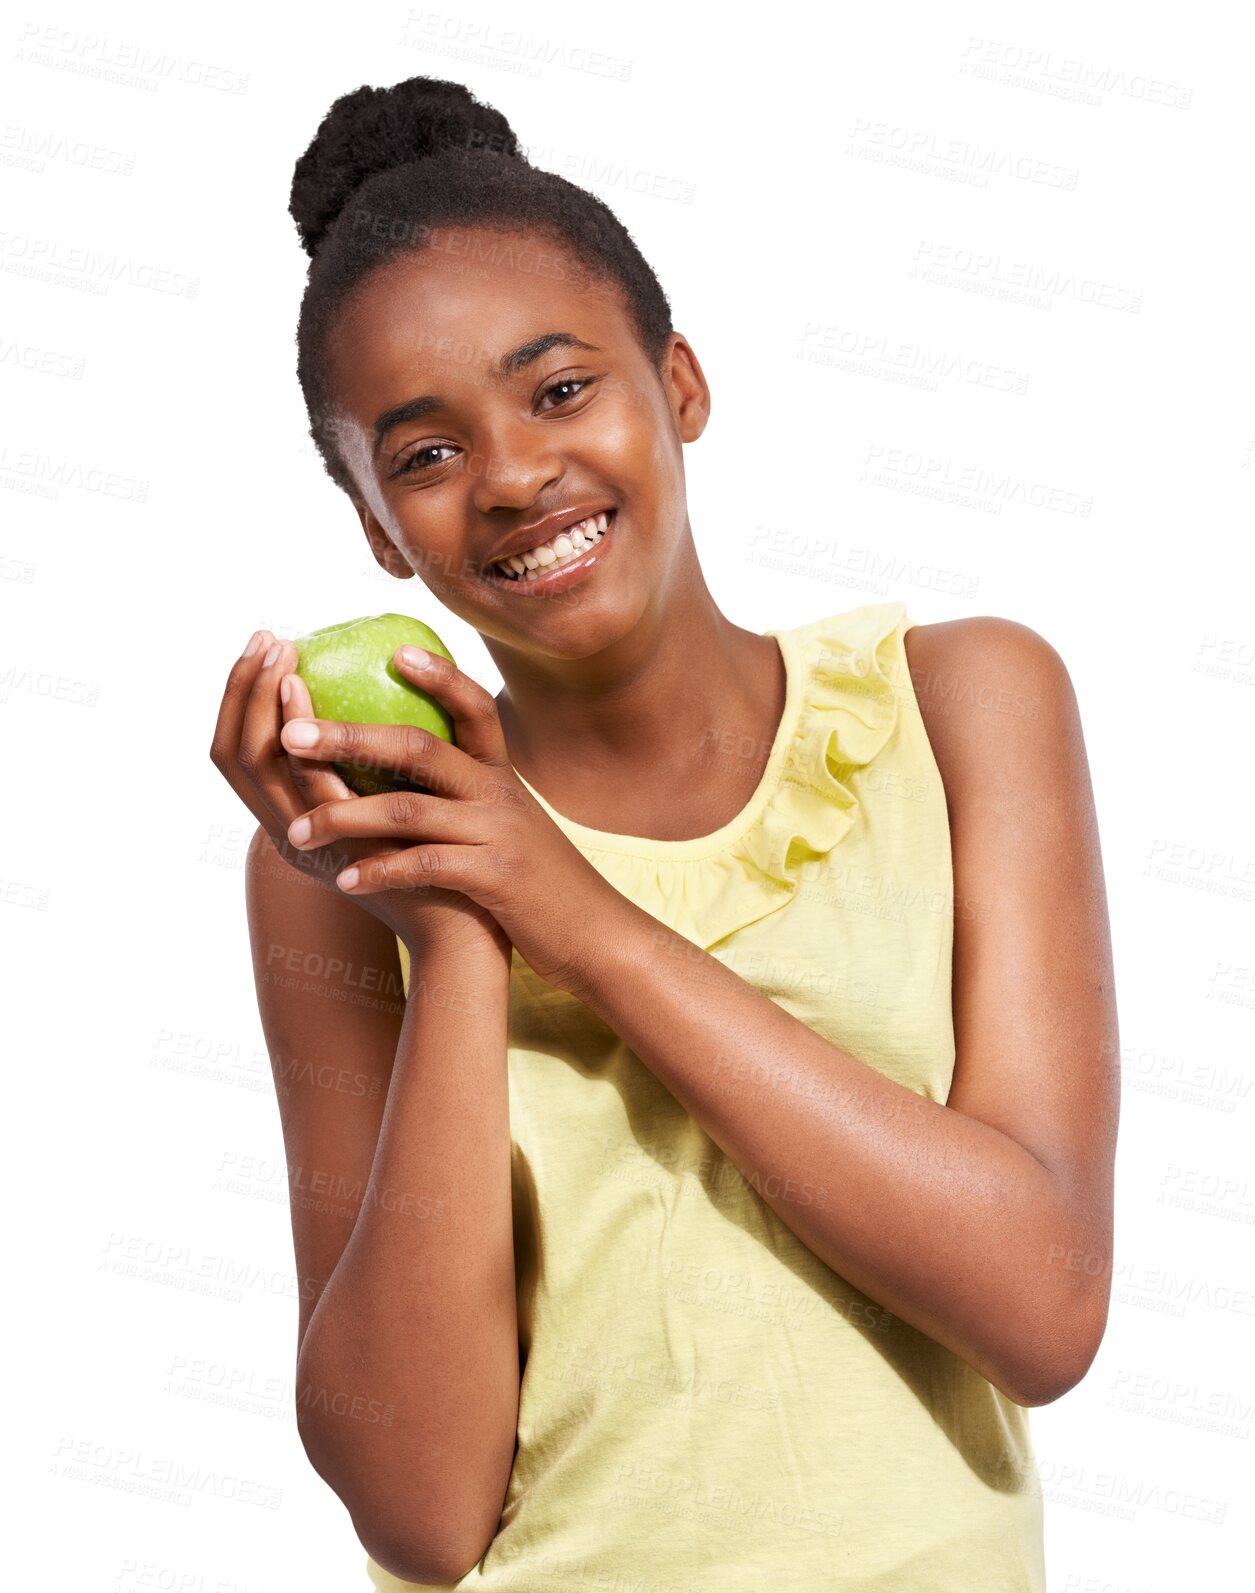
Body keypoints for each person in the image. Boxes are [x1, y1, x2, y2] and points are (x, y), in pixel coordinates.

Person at [208, 75, 1119, 1591]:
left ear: (678, 382)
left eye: (560, 388)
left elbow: (1045, 1302)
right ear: (378, 532)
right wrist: (457, 929)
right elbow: (422, 1509)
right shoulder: (350, 847)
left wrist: (571, 912)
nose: (510, 475)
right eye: (425, 455)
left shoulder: (964, 706)